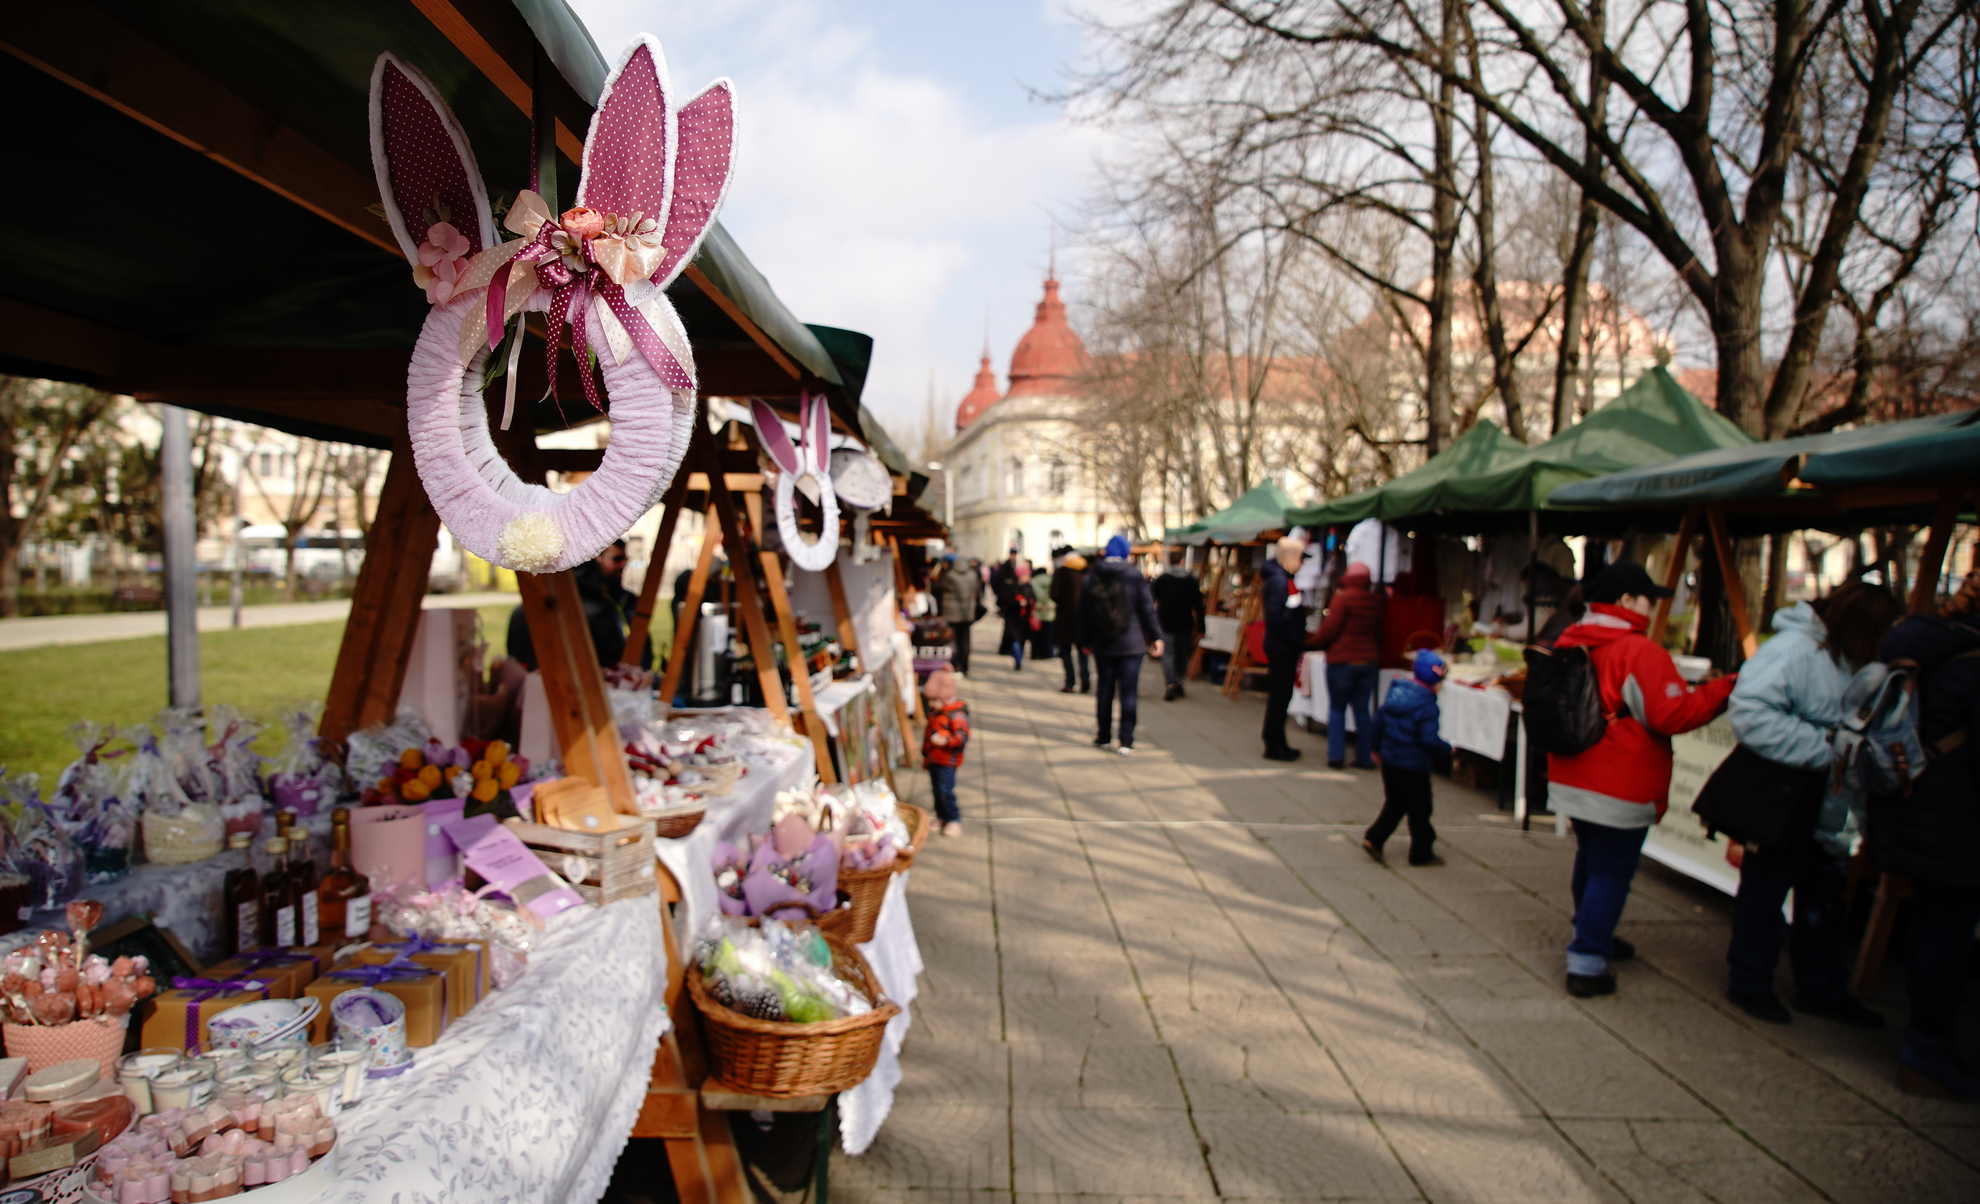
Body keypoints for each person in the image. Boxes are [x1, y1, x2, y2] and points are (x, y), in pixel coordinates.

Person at [1550, 562, 1737, 999]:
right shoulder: (1639, 651)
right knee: (1610, 870)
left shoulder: (1570, 637)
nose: (1653, 608)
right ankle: (1587, 960)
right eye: (1648, 599)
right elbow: (1673, 714)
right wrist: (1726, 687)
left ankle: (1592, 931)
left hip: (1572, 772)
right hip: (1619, 780)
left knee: (1592, 860)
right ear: (1627, 600)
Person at [1723, 581, 1901, 1028]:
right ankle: (1750, 982)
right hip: (1787, 801)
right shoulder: (1794, 650)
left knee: (1826, 901)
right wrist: (1827, 748)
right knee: (1765, 896)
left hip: (1834, 807)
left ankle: (1821, 988)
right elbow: (1750, 713)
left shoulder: (1859, 659)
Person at [1868, 566, 1980, 1098]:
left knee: (1931, 921)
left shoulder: (1925, 643)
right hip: (1955, 819)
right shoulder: (1971, 660)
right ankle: (1927, 1046)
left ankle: (1926, 1037)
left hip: (1910, 803)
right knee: (1947, 931)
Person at [1362, 649, 1452, 867]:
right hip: (1413, 765)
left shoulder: (1396, 692)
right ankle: (1421, 851)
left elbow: (1378, 723)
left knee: (1396, 802)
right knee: (1420, 808)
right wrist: (1447, 749)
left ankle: (1375, 837)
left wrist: (1375, 748)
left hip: (1390, 759)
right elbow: (1428, 739)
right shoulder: (1427, 706)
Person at [1078, 535, 1163, 754]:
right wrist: (1156, 636)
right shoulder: (1133, 575)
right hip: (1131, 644)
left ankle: (1103, 736)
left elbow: (1084, 612)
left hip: (1103, 643)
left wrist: (1085, 640)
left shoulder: (1092, 575)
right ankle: (1126, 740)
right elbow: (1147, 609)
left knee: (1104, 690)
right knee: (1128, 692)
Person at [507, 541, 648, 670]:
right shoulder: (597, 611)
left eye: (626, 559)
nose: (623, 565)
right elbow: (614, 667)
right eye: (617, 559)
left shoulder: (520, 611)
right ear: (595, 559)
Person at [1313, 562, 1383, 769]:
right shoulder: (1373, 601)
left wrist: (1316, 642)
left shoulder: (1342, 598)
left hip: (1342, 660)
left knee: (1337, 708)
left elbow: (1331, 627)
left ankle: (1336, 755)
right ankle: (1365, 756)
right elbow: (1378, 631)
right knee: (1362, 710)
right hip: (1368, 660)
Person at [1258, 537, 1311, 759]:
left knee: (1281, 696)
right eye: (1300, 558)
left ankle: (1277, 741)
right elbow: (1276, 616)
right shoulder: (1280, 581)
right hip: (1283, 647)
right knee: (1280, 697)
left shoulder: (1282, 579)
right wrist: (1294, 637)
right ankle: (1274, 743)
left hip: (1283, 645)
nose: (1301, 563)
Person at [921, 667, 970, 838]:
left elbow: (961, 737)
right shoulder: (937, 713)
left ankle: (953, 818)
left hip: (947, 760)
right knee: (936, 790)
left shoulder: (956, 715)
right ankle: (941, 816)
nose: (930, 704)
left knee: (945, 790)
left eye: (934, 700)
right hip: (934, 758)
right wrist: (925, 753)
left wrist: (946, 741)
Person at [1151, 547, 1205, 702]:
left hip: (1165, 622)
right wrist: (1202, 627)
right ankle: (1178, 681)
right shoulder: (1191, 581)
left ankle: (1171, 683)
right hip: (1184, 623)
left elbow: (1151, 600)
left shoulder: (1162, 580)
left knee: (1167, 654)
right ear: (1182, 561)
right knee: (1182, 655)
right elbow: (1199, 606)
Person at [931, 554, 981, 677]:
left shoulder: (949, 576)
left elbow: (937, 589)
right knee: (965, 641)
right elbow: (977, 590)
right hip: (967, 613)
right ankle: (965, 666)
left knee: (953, 641)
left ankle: (956, 665)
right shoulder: (972, 575)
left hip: (951, 613)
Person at [1050, 547, 1091, 694]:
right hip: (1083, 616)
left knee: (1065, 651)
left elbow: (1054, 593)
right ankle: (1085, 676)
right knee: (1083, 650)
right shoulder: (1086, 570)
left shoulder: (1062, 571)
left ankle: (1070, 682)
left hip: (1065, 618)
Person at [996, 558, 1036, 671]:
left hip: (1025, 618)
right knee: (1015, 639)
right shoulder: (1010, 586)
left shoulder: (1029, 587)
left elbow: (1034, 599)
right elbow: (1003, 600)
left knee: (1022, 640)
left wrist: (1028, 602)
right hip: (1013, 617)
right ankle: (1017, 660)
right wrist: (1017, 603)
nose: (1027, 578)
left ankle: (1019, 659)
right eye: (1025, 575)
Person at [1029, 560, 1056, 663]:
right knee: (1048, 635)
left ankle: (1036, 653)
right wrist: (1049, 605)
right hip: (1050, 611)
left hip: (1037, 611)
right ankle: (1048, 653)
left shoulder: (1033, 582)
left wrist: (1039, 605)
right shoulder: (1052, 580)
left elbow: (1031, 596)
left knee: (1036, 635)